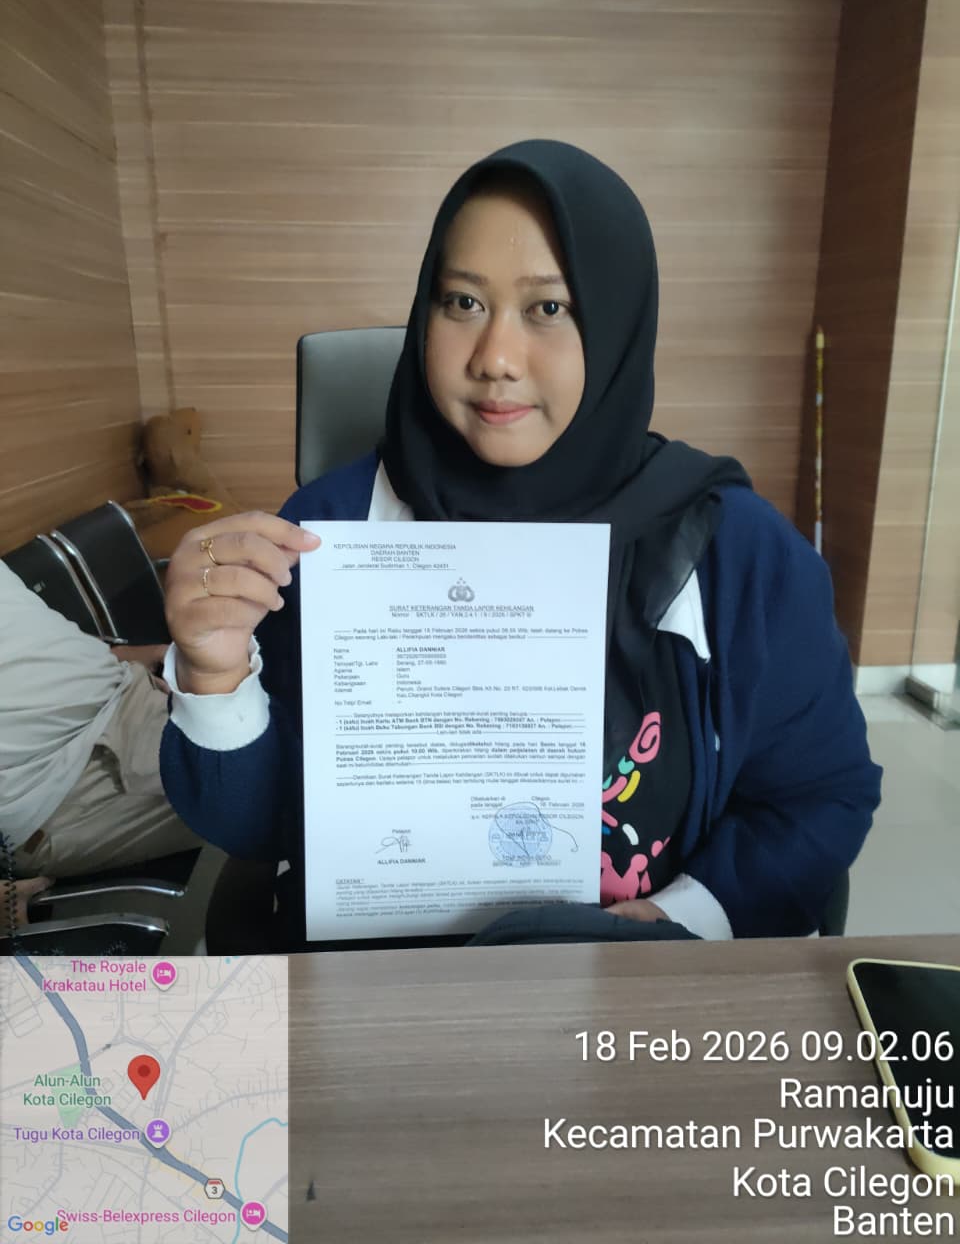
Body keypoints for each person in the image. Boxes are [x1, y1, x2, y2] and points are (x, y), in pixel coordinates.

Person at [160, 139, 881, 947]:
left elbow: (818, 796)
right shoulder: (331, 529)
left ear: (617, 321)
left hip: (632, 984)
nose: (495, 358)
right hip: (381, 989)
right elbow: (259, 826)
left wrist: (689, 916)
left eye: (549, 309)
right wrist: (213, 677)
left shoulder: (735, 551)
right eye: (462, 302)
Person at [0, 561, 203, 909]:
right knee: (289, 788)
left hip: (127, 688)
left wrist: (123, 654)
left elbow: (25, 629)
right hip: (71, 777)